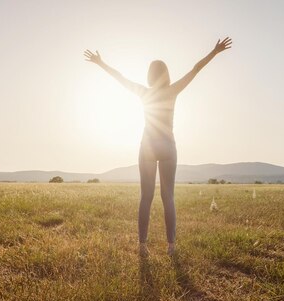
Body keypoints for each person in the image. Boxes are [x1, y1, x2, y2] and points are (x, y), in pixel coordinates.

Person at [84, 37, 232, 257]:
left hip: (148, 146)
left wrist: (100, 63)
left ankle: (142, 246)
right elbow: (195, 69)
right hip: (168, 146)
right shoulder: (173, 90)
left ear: (149, 76)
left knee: (146, 197)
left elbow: (120, 78)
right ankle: (171, 246)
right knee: (168, 197)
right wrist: (214, 51)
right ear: (167, 74)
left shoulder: (144, 92)